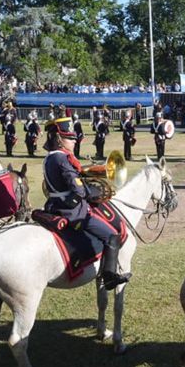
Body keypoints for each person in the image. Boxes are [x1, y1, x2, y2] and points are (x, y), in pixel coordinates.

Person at [42, 117, 130, 290]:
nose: (74, 141)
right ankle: (109, 276)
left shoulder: (49, 158)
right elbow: (79, 191)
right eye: (70, 138)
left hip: (55, 206)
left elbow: (66, 181)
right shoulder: (62, 159)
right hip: (73, 212)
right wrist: (94, 191)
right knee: (112, 235)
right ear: (59, 139)